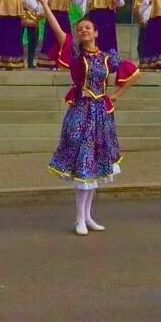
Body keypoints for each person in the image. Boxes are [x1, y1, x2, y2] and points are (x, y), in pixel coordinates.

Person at [44, 12, 140, 235]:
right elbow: (60, 33)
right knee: (83, 164)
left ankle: (88, 216)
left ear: (96, 32)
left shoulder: (108, 57)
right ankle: (79, 218)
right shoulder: (77, 54)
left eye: (88, 28)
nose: (83, 31)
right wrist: (45, 5)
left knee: (95, 164)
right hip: (80, 112)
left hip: (102, 115)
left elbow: (135, 73)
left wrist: (117, 94)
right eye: (80, 29)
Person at [35, 0, 76, 70]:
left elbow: (75, 2)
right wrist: (40, 13)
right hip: (52, 15)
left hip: (64, 17)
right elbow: (43, 2)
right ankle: (51, 63)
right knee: (51, 39)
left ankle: (63, 61)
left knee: (65, 39)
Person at [15, 0, 42, 68]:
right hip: (19, 12)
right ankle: (18, 60)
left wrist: (40, 11)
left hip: (33, 14)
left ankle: (30, 62)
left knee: (33, 39)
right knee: (17, 38)